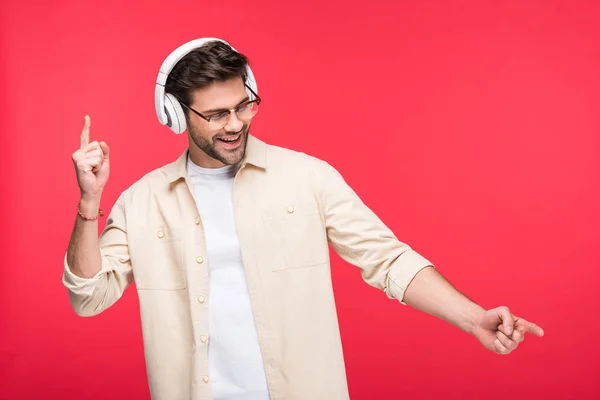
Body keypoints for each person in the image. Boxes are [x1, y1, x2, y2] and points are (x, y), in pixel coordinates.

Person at [63, 37, 544, 400]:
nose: (234, 124)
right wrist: (90, 204)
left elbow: (387, 259)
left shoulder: (307, 177)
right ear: (175, 114)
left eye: (243, 106)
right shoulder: (142, 200)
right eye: (215, 114)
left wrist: (473, 318)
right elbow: (89, 297)